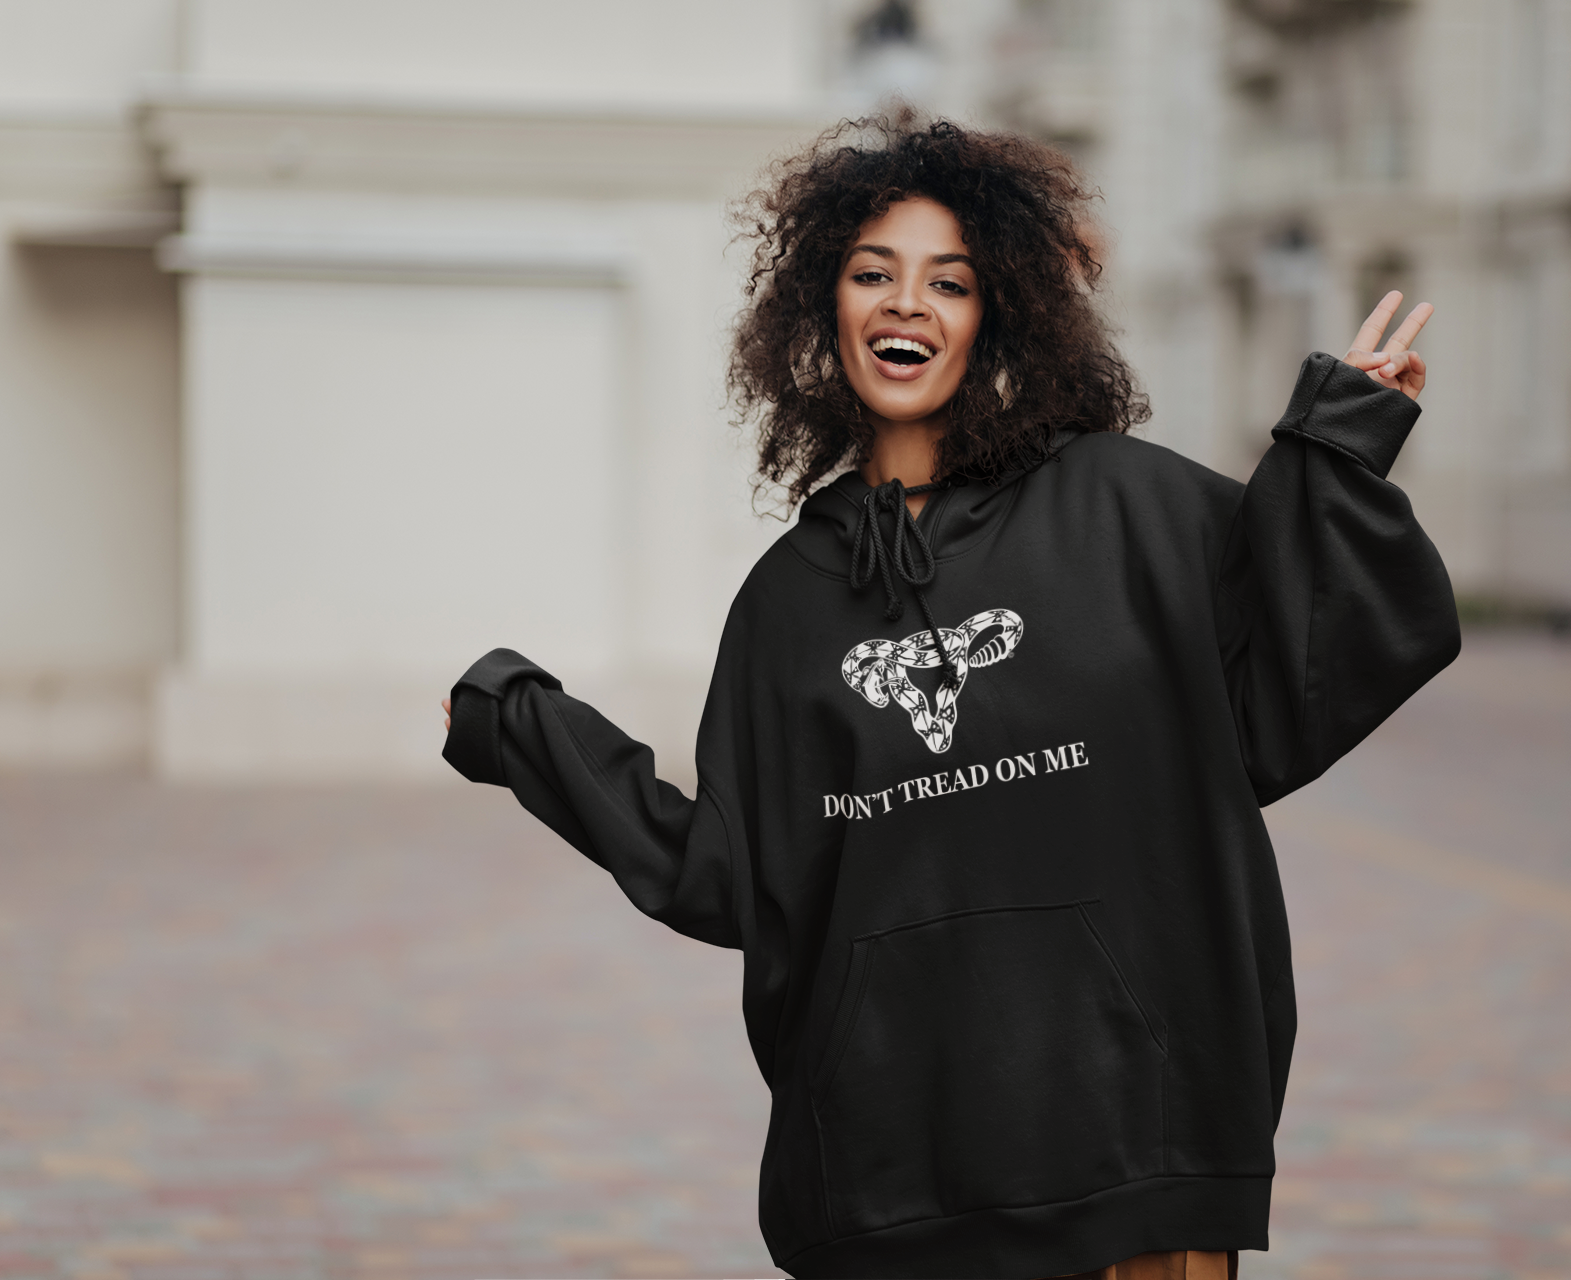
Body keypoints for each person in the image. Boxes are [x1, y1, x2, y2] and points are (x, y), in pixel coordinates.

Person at [441, 116, 1459, 1280]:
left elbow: (1301, 669)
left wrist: (1339, 445)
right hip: (892, 1176)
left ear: (1001, 312)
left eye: (951, 281)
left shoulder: (1127, 507)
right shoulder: (788, 601)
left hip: (1142, 1154)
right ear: (824, 308)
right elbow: (729, 873)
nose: (907, 304)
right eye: (873, 273)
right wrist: (521, 727)